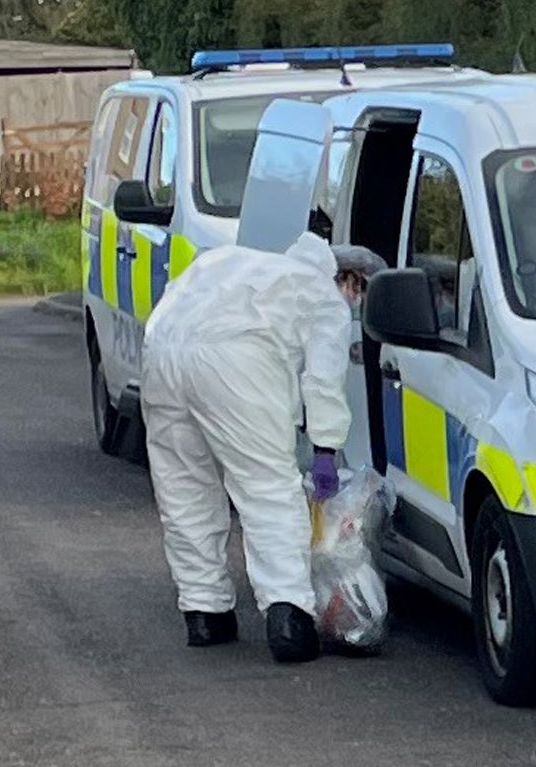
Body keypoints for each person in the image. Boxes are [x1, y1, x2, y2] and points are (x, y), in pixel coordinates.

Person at [139, 228, 382, 667]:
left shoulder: (233, 261)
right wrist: (326, 448)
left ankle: (204, 613)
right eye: (356, 291)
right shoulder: (321, 294)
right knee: (267, 490)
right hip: (236, 362)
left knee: (185, 491)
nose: (353, 302)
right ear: (345, 278)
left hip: (162, 351)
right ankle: (289, 619)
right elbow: (324, 379)